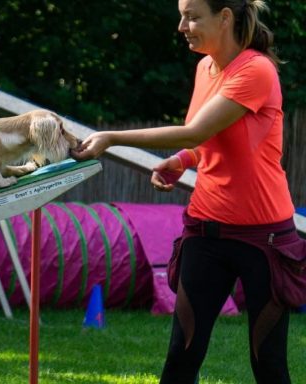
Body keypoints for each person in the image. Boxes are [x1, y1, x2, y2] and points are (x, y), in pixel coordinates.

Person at [71, 0, 302, 383]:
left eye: (193, 16)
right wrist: (182, 159)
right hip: (205, 231)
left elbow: (196, 130)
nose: (182, 26)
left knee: (269, 364)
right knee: (181, 356)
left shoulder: (257, 70)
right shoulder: (204, 69)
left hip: (265, 238)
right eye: (182, 15)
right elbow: (208, 140)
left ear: (225, 17)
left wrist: (111, 138)